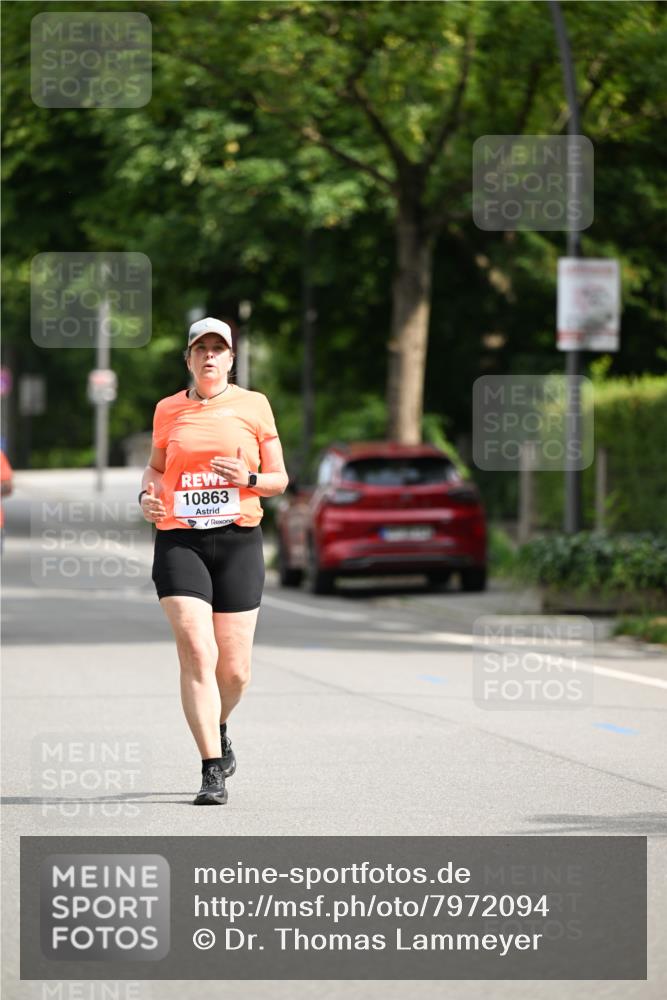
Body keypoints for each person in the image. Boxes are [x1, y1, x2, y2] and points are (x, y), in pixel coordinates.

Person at [140, 317, 288, 805]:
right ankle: (210, 769)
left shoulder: (255, 406)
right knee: (198, 652)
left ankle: (219, 724)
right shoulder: (168, 410)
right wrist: (147, 496)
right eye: (199, 348)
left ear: (230, 359)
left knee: (236, 670)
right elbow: (157, 468)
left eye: (217, 349)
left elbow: (279, 480)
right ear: (188, 358)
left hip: (238, 539)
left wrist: (248, 478)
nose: (208, 356)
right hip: (180, 540)